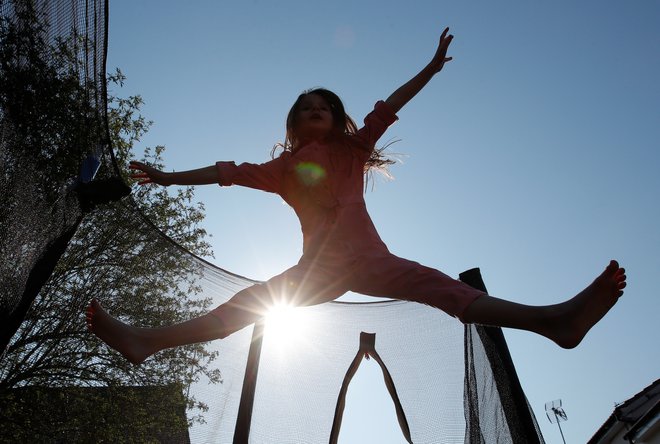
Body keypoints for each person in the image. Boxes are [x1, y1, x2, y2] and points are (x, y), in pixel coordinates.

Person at [87, 28, 626, 365]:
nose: (312, 109)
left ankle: (553, 321)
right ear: (293, 124)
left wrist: (431, 69)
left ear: (336, 116)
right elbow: (226, 172)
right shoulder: (281, 168)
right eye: (303, 107)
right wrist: (168, 176)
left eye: (321, 104)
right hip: (317, 269)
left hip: (372, 261)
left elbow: (391, 105)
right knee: (251, 305)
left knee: (442, 290)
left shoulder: (352, 148)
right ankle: (149, 341)